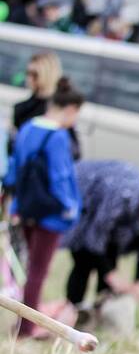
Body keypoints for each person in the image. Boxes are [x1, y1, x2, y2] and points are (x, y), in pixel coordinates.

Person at [1, 79, 84, 338]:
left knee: (27, 269)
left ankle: (24, 319)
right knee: (38, 270)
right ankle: (26, 326)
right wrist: (70, 208)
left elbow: (14, 168)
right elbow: (60, 177)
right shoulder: (58, 137)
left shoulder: (27, 128)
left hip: (25, 207)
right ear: (70, 109)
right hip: (51, 214)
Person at [63, 161, 139, 312]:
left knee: (109, 265)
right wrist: (111, 275)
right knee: (83, 263)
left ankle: (100, 310)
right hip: (88, 206)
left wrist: (138, 282)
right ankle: (73, 309)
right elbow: (95, 237)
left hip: (113, 234)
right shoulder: (122, 196)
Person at [11, 52, 80, 160]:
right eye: (27, 73)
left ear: (48, 74)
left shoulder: (59, 108)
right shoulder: (21, 107)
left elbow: (73, 152)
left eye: (34, 74)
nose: (29, 78)